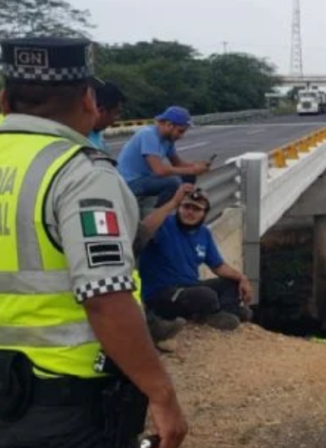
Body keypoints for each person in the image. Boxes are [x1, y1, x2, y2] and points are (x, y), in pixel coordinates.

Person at [0, 36, 187, 448]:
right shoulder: (80, 174)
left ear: (4, 100)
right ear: (88, 100)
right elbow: (104, 295)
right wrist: (161, 393)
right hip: (62, 401)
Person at [139, 189, 254, 331]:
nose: (190, 212)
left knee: (231, 283)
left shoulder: (204, 233)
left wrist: (242, 278)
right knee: (205, 295)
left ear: (204, 214)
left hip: (189, 287)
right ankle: (213, 314)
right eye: (186, 207)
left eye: (196, 209)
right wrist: (171, 203)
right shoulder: (164, 225)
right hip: (163, 293)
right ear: (179, 208)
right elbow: (142, 231)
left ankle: (223, 312)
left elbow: (218, 266)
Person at [117, 105, 211, 207]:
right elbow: (159, 171)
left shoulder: (167, 140)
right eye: (180, 131)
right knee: (173, 182)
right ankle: (157, 213)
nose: (181, 136)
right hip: (129, 182)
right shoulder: (148, 135)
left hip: (145, 178)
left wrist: (197, 166)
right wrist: (192, 169)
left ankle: (179, 208)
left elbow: (178, 163)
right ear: (169, 124)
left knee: (188, 176)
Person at [88, 81, 127, 151]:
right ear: (101, 111)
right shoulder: (87, 143)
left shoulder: (97, 135)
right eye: (116, 113)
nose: (117, 119)